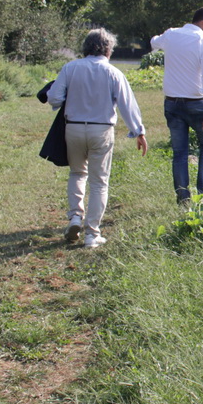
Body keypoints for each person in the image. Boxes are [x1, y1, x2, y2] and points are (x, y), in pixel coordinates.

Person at [47, 28, 147, 248]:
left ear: (86, 47)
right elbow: (127, 105)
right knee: (99, 182)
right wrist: (138, 131)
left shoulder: (70, 67)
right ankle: (92, 233)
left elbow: (53, 96)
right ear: (108, 49)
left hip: (72, 128)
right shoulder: (114, 73)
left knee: (77, 173)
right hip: (101, 130)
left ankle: (75, 216)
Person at [150, 7, 203, 204]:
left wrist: (162, 38)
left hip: (172, 103)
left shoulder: (171, 35)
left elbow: (154, 42)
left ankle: (183, 198)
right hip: (197, 103)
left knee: (180, 152)